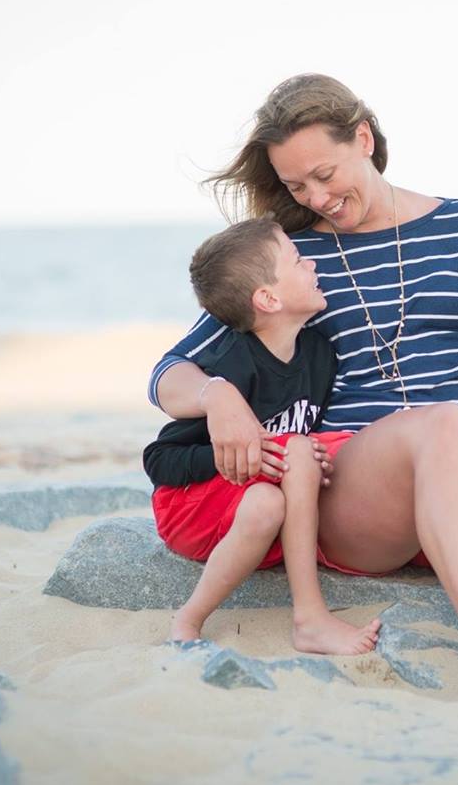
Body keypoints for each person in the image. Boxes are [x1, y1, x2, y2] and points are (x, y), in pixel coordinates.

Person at [149, 73, 458, 712]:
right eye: (297, 186)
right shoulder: (289, 261)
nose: (317, 198)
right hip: (361, 496)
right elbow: (170, 372)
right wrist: (219, 395)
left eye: (325, 174)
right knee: (445, 421)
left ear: (363, 139)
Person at [144, 217, 381, 655]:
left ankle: (208, 616)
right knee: (285, 467)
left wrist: (305, 460)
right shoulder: (230, 365)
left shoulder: (320, 357)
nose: (312, 264)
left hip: (259, 511)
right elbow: (158, 458)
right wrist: (229, 457)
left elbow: (301, 442)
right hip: (190, 508)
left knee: (280, 485)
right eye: (298, 260)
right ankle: (211, 618)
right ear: (268, 298)